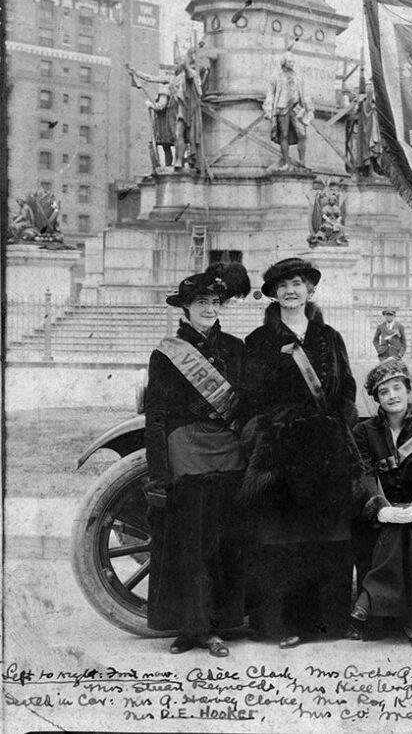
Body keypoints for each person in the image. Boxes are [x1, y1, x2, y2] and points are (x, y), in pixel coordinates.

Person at [239, 257, 362, 649]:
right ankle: (282, 624)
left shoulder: (331, 338)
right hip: (282, 452)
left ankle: (325, 624)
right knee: (282, 540)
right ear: (273, 294)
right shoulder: (259, 342)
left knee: (326, 538)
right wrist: (276, 429)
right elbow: (251, 399)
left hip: (326, 452)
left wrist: (337, 427)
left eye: (298, 284)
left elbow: (346, 391)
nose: (291, 291)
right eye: (283, 285)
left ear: (310, 290)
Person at [144, 267, 250, 656]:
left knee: (224, 541)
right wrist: (158, 472)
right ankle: (194, 628)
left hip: (229, 450)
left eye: (214, 302)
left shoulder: (237, 348)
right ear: (185, 309)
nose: (208, 308)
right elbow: (155, 416)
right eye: (200, 302)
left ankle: (219, 625)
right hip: (187, 449)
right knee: (192, 543)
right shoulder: (166, 353)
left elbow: (248, 403)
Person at [349, 359, 412, 650]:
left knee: (407, 528)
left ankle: (369, 598)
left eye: (397, 388)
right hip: (376, 511)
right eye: (384, 391)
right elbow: (362, 473)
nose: (392, 396)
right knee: (398, 529)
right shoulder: (363, 432)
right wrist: (380, 507)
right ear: (377, 398)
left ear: (408, 390)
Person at [264, 51, 310, 169]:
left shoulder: (298, 76)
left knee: (302, 134)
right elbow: (270, 93)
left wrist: (309, 108)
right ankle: (286, 162)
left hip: (296, 108)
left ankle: (302, 161)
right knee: (283, 135)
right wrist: (269, 109)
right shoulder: (276, 76)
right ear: (284, 62)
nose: (292, 64)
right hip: (282, 108)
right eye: (290, 61)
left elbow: (304, 93)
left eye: (293, 61)